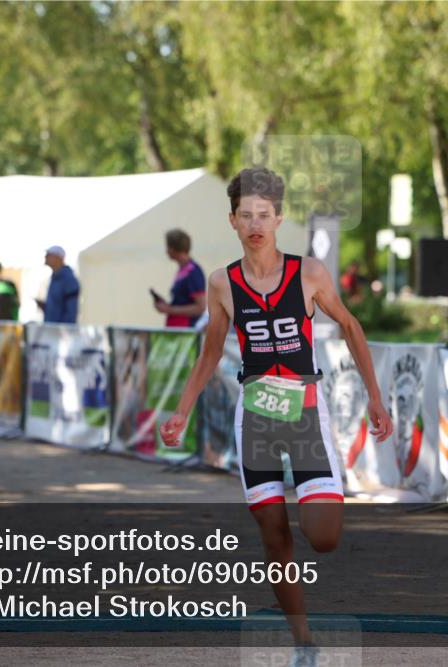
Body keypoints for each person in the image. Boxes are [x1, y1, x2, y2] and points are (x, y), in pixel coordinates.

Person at [159, 167, 393, 665]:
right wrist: (182, 411)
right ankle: (303, 643)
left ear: (279, 218)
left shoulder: (308, 273)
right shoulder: (222, 282)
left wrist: (375, 395)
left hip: (306, 412)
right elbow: (209, 352)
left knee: (324, 537)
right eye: (246, 215)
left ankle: (314, 498)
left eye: (263, 214)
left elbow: (350, 326)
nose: (255, 223)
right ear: (232, 221)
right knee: (273, 533)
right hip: (256, 416)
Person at [153, 229, 206, 327]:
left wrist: (169, 309)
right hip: (177, 328)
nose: (166, 251)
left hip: (186, 331)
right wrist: (167, 306)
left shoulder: (193, 271)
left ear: (173, 248)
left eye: (168, 247)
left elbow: (200, 307)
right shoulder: (184, 270)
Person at [36, 245, 79, 324]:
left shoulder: (69, 280)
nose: (45, 257)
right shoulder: (54, 278)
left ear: (58, 257)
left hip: (60, 333)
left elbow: (71, 312)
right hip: (52, 330)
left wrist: (63, 332)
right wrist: (45, 307)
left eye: (49, 255)